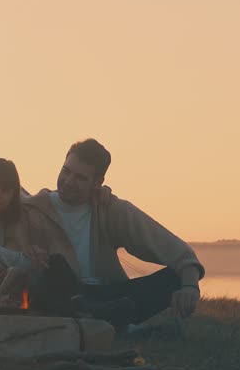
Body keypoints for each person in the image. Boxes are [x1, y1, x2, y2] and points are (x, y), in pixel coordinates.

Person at [20, 138, 205, 326]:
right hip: (61, 291)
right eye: (66, 171)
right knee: (51, 268)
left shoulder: (109, 209)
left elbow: (173, 249)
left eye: (80, 178)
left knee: (173, 279)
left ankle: (99, 317)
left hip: (108, 296)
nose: (68, 182)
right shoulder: (33, 210)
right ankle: (110, 321)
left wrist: (190, 286)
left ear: (97, 183)